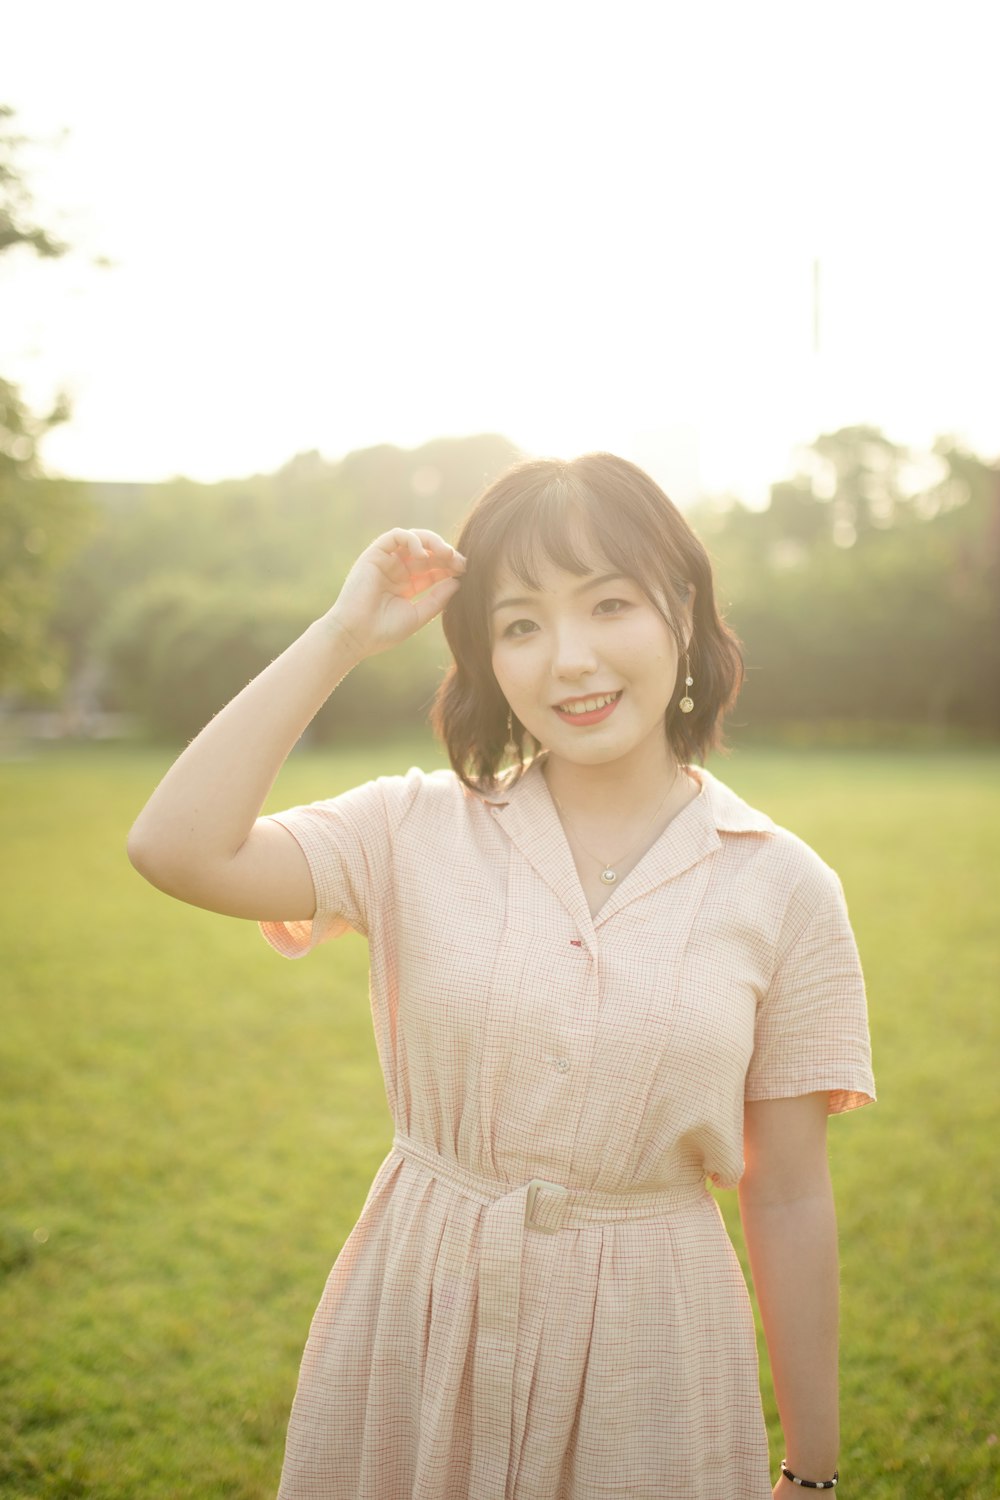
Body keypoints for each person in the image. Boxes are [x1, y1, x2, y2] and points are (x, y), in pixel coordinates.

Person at [127, 452, 875, 1500]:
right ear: (486, 655)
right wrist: (342, 635)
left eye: (608, 603)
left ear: (683, 609)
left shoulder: (785, 887)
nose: (568, 659)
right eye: (520, 623)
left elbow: (789, 1193)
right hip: (420, 1320)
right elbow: (175, 847)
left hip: (651, 1354)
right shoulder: (409, 828)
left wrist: (811, 1471)